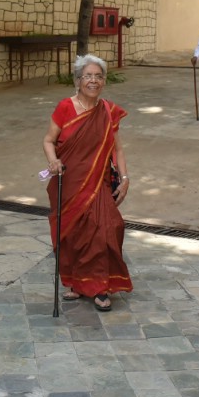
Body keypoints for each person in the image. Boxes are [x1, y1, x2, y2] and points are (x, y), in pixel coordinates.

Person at [42, 54, 131, 312]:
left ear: (104, 81)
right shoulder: (65, 108)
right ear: (78, 81)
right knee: (74, 235)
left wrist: (125, 178)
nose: (93, 81)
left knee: (107, 228)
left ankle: (100, 286)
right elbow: (49, 140)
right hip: (68, 181)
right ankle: (79, 284)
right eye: (88, 76)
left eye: (98, 76)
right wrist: (53, 161)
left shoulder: (108, 111)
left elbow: (118, 150)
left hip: (98, 183)